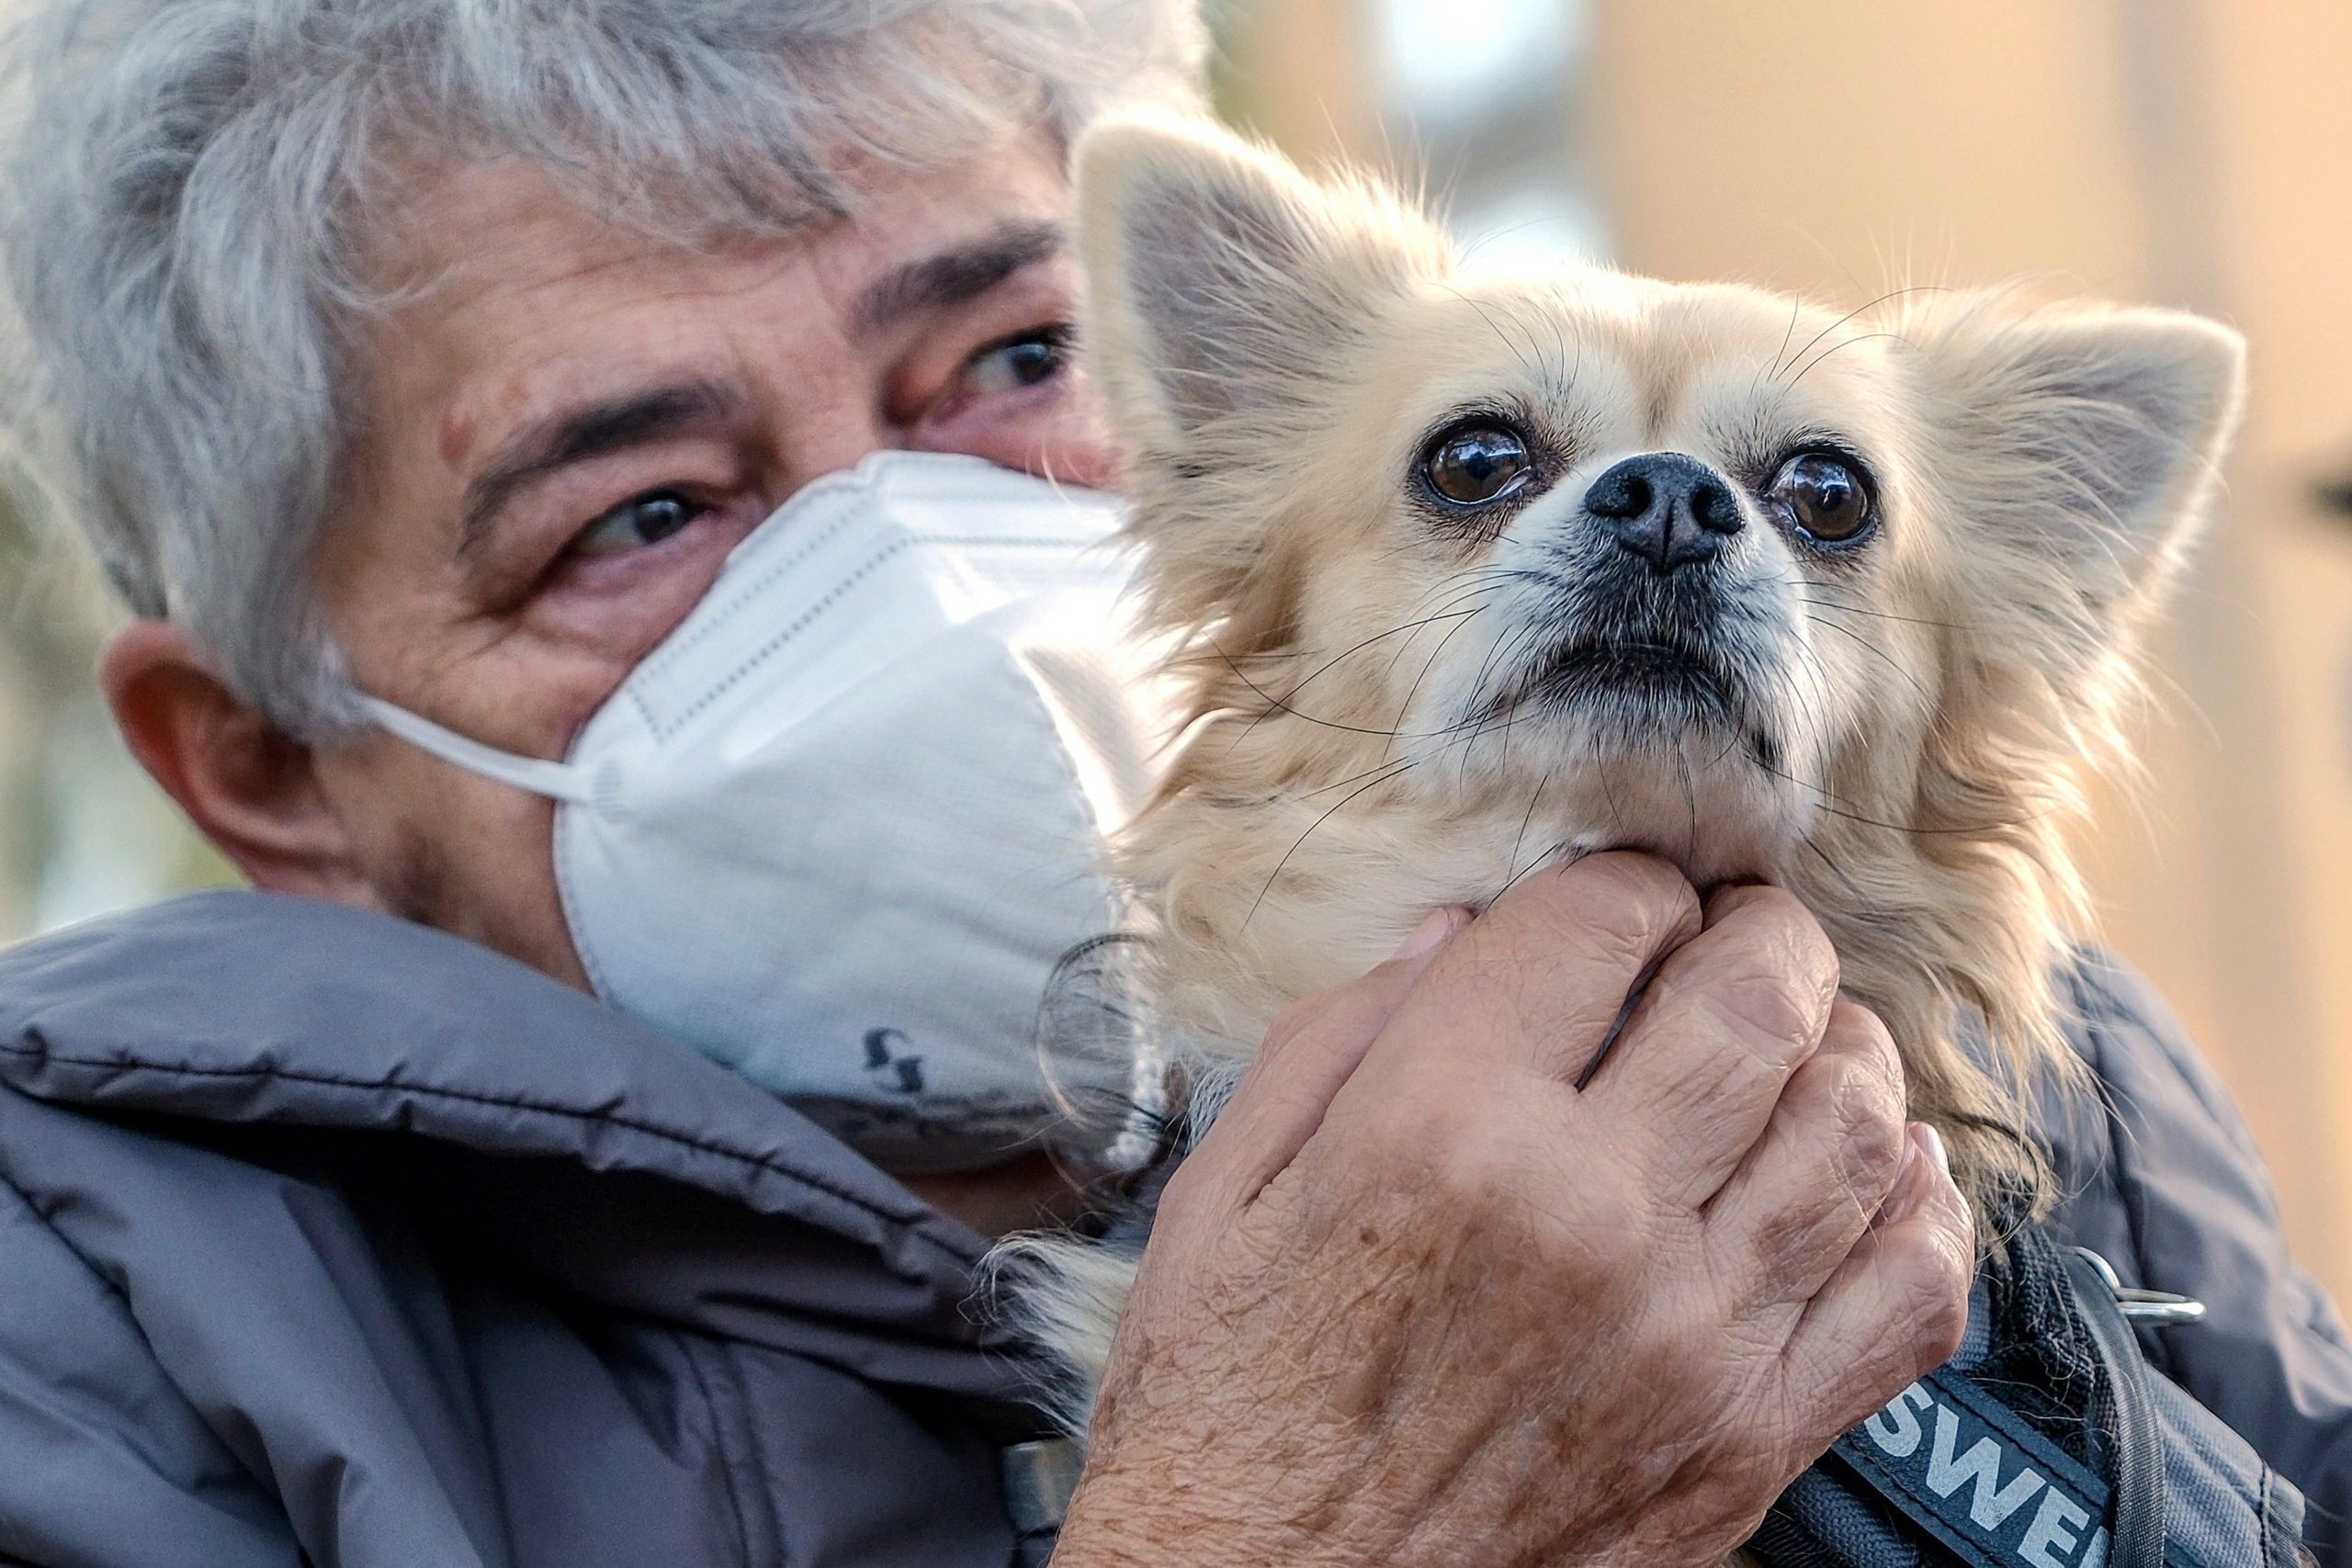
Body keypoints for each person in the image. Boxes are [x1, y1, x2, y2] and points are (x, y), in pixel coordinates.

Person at [0, 3, 2336, 1565]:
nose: (905, 540)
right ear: (271, 768)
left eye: (1021, 353)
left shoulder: (2051, 1111)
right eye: (640, 509)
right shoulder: (93, 1336)